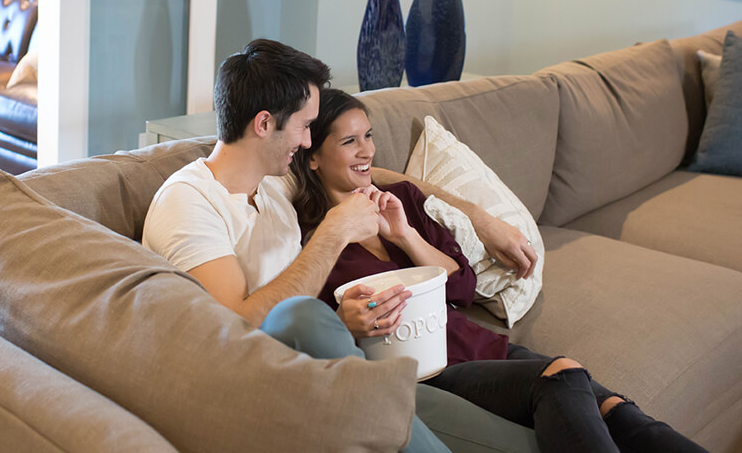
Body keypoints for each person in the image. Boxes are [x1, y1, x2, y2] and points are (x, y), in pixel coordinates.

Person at [142, 39, 540, 453]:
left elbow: (366, 170)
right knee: (302, 316)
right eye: (304, 125)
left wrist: (482, 220)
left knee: (527, 442)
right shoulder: (188, 203)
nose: (310, 139)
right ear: (264, 124)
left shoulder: (272, 182)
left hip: (341, 362)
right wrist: (334, 232)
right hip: (263, 383)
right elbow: (236, 329)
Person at [290, 88, 708, 453]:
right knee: (562, 376)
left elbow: (463, 287)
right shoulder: (313, 239)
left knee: (616, 409)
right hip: (434, 372)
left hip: (483, 345)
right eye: (349, 142)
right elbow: (323, 328)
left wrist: (404, 236)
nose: (366, 151)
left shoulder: (400, 199)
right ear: (313, 158)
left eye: (369, 136)